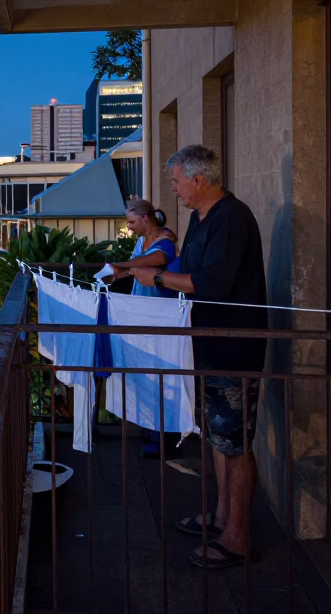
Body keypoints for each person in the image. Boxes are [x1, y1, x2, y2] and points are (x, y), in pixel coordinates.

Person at [130, 145, 267, 570]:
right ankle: (222, 517)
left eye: (175, 181)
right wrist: (136, 268)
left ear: (198, 180)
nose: (172, 191)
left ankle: (237, 539)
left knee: (235, 443)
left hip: (232, 348)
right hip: (206, 345)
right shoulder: (198, 218)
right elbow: (184, 263)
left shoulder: (232, 217)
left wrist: (153, 276)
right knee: (216, 439)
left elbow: (211, 283)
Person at [109, 199, 178, 457]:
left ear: (146, 219)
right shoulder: (143, 242)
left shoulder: (164, 240)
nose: (128, 227)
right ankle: (152, 436)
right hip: (144, 316)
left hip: (160, 317)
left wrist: (125, 266)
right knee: (149, 377)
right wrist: (117, 274)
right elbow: (136, 265)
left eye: (131, 221)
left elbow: (158, 259)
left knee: (161, 377)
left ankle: (164, 440)